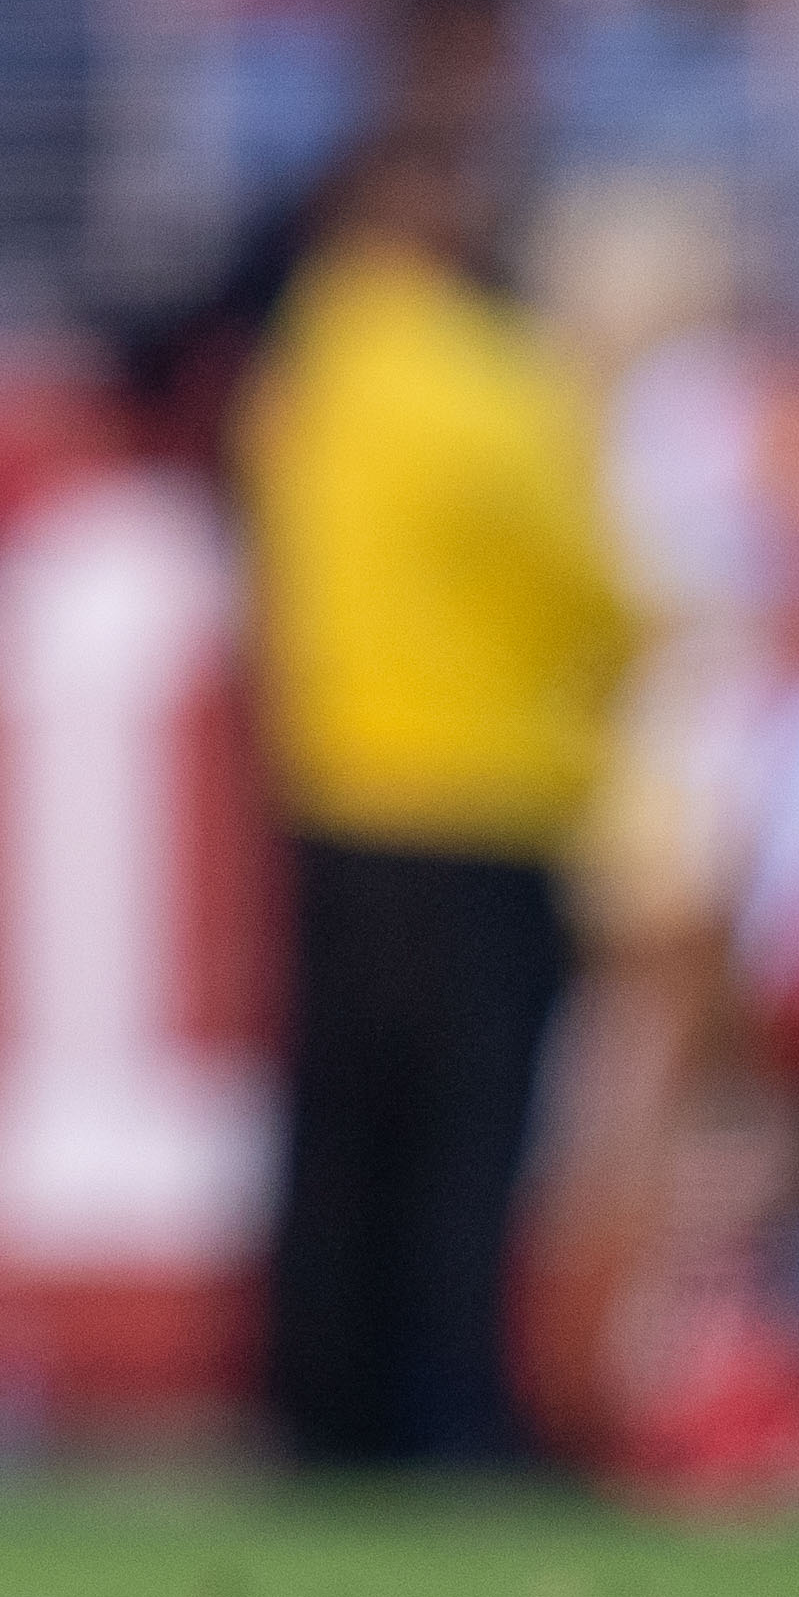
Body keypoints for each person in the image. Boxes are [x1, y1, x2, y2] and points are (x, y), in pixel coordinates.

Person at [240, 108, 640, 1466]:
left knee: (340, 1122)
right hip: (481, 782)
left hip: (343, 773)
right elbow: (576, 569)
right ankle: (450, 1404)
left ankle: (320, 1402)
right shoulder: (480, 372)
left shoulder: (308, 364)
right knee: (467, 1135)